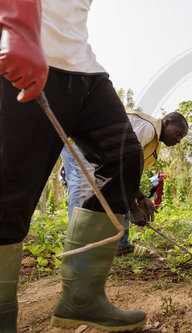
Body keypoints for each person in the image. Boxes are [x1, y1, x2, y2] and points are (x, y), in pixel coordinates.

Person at [0, 0, 147, 331]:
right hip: (20, 54)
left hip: (83, 68)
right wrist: (15, 28)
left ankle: (81, 298)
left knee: (123, 159)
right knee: (9, 197)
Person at [62, 110, 188, 256]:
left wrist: (141, 197)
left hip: (98, 149)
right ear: (167, 123)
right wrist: (133, 209)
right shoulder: (147, 128)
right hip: (82, 139)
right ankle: (77, 247)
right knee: (82, 187)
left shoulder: (152, 137)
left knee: (114, 192)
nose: (178, 140)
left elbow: (128, 173)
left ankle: (120, 246)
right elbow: (121, 167)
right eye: (178, 134)